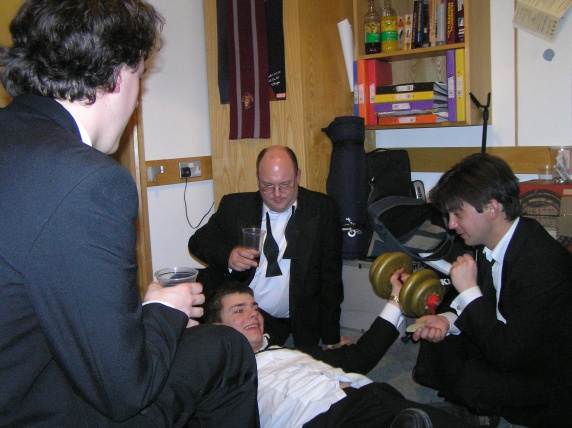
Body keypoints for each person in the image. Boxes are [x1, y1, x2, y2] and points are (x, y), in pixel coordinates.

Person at [0, 1, 259, 426]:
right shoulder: (88, 180)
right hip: (38, 410)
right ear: (118, 74)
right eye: (141, 74)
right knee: (225, 347)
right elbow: (125, 391)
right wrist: (164, 310)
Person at [409, 153, 572, 427]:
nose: (451, 224)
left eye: (458, 213)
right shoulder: (492, 241)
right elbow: (488, 305)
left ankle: (479, 410)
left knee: (473, 380)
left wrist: (469, 290)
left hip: (548, 371)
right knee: (440, 336)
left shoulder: (541, 266)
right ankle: (473, 404)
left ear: (492, 208)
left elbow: (509, 355)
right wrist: (446, 320)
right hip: (508, 339)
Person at [203, 281, 472, 428]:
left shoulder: (293, 353)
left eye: (254, 308)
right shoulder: (222, 378)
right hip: (319, 419)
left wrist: (397, 300)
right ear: (216, 328)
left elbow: (361, 357)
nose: (253, 314)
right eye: (239, 311)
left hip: (372, 396)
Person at [188, 145, 344, 348]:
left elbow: (331, 278)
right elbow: (198, 242)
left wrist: (332, 337)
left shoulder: (323, 210)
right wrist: (228, 255)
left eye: (285, 185)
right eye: (268, 186)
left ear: (298, 177)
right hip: (235, 311)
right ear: (258, 179)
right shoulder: (235, 206)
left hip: (279, 321)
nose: (277, 194)